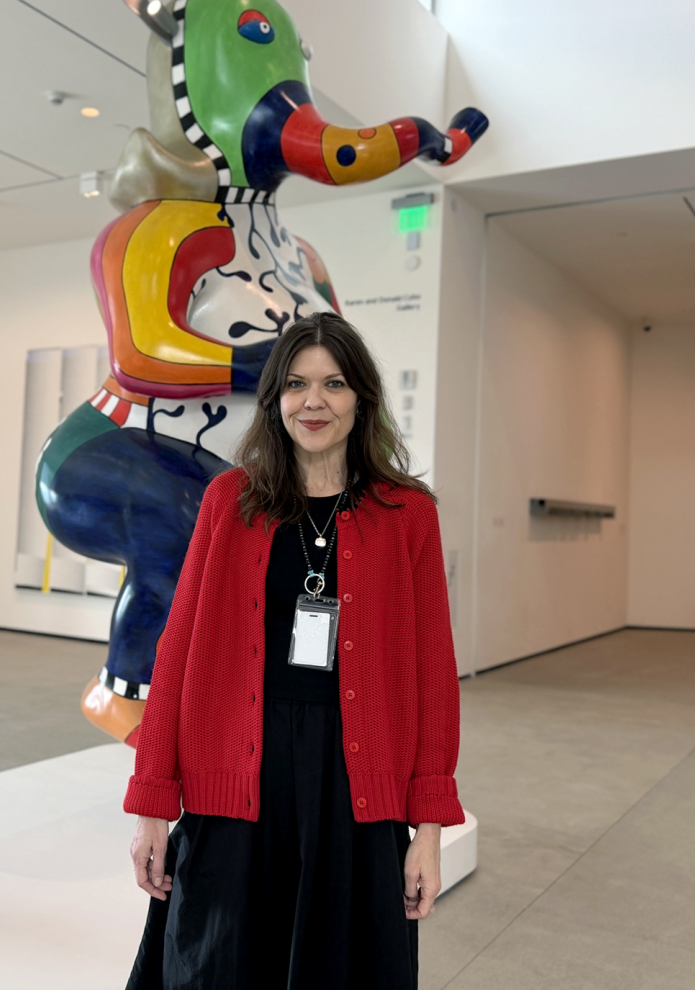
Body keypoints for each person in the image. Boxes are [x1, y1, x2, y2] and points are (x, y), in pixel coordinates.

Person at [123, 312, 463, 990]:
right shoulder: (230, 501)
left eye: (334, 384)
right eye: (297, 384)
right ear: (275, 398)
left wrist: (427, 826)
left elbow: (433, 675)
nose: (314, 401)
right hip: (238, 769)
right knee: (219, 963)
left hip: (354, 781)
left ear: (362, 398)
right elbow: (179, 652)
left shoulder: (408, 514)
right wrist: (152, 805)